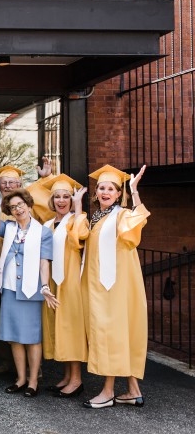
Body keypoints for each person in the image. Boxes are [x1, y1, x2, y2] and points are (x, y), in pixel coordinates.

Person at [0, 172, 58, 398]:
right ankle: (20, 378)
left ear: (29, 205)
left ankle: (33, 381)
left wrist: (45, 286)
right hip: (10, 289)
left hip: (31, 291)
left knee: (32, 338)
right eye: (13, 207)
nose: (18, 209)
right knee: (14, 337)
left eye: (20, 204)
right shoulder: (8, 228)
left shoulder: (43, 232)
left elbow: (44, 262)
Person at [81, 164, 149, 409]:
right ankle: (133, 390)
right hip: (100, 287)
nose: (105, 191)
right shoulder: (96, 218)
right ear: (96, 192)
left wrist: (134, 189)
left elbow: (139, 218)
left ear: (119, 194)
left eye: (111, 188)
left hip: (115, 288)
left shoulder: (120, 215)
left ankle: (108, 392)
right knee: (120, 335)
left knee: (110, 334)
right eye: (101, 188)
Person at [39, 174, 89, 398]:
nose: (61, 200)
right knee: (60, 327)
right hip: (53, 282)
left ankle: (77, 380)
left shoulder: (77, 219)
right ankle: (68, 375)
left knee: (72, 328)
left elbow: (79, 237)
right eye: (57, 196)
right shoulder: (48, 224)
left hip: (71, 282)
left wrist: (78, 206)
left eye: (66, 196)